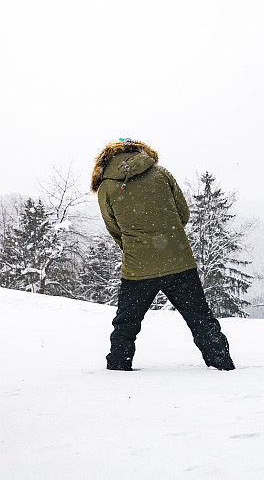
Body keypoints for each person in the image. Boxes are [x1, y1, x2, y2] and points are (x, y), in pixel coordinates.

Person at [92, 139, 235, 371]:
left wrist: (133, 244)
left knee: (126, 325)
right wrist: (166, 236)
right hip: (179, 263)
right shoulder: (160, 173)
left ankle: (118, 369)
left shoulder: (106, 187)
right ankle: (222, 365)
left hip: (137, 269)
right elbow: (184, 214)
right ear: (139, 151)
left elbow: (114, 228)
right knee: (200, 319)